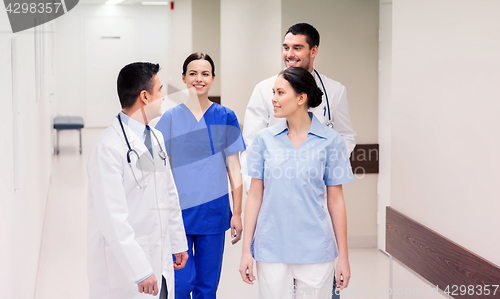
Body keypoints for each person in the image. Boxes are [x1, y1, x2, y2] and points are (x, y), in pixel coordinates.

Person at [239, 67, 353, 299]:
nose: (274, 99)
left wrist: (344, 256)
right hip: (271, 249)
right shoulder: (264, 140)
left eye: (280, 93)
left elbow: (336, 200)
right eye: (273, 92)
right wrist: (245, 252)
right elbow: (254, 196)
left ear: (301, 98)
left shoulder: (331, 141)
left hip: (316, 251)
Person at [87, 62, 189, 299]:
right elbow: (112, 218)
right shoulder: (108, 148)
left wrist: (178, 242)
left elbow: (169, 194)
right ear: (145, 96)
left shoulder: (155, 136)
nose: (163, 97)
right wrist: (140, 270)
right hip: (129, 271)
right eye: (160, 90)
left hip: (160, 260)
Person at [155, 52, 246, 299]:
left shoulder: (226, 117)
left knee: (207, 287)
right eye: (193, 73)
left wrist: (237, 212)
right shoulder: (170, 118)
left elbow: (235, 168)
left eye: (205, 74)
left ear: (213, 78)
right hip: (178, 214)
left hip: (213, 214)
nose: (199, 79)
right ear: (184, 78)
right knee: (182, 285)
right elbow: (157, 169)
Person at [242, 22, 356, 193]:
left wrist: (327, 165)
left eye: (297, 48)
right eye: (286, 48)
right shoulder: (264, 88)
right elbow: (251, 143)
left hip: (314, 187)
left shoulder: (334, 91)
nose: (289, 54)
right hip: (273, 186)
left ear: (314, 51)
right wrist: (256, 190)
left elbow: (345, 135)